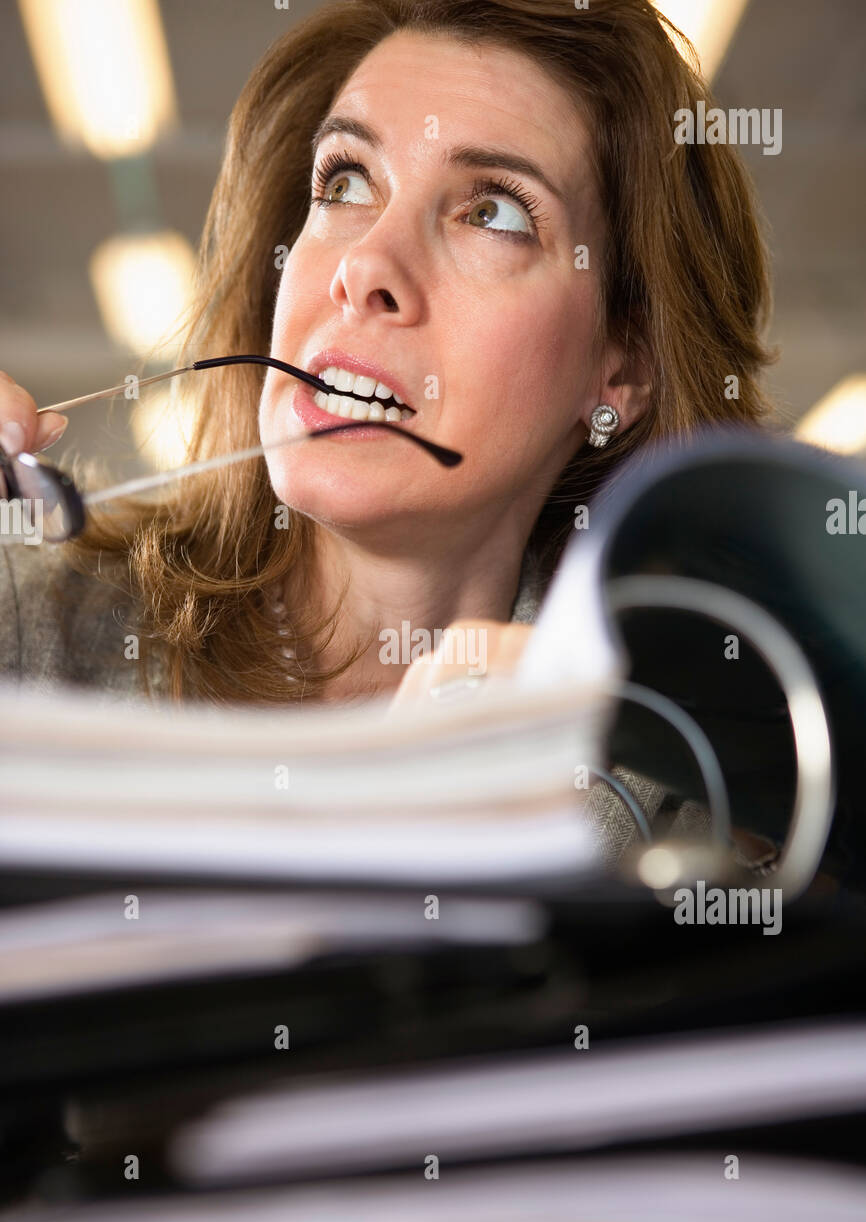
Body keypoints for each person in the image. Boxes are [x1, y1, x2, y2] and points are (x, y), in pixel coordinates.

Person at [0, 0, 776, 862]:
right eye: (345, 181)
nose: (366, 264)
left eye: (493, 213)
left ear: (622, 370)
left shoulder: (684, 781)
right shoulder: (32, 628)